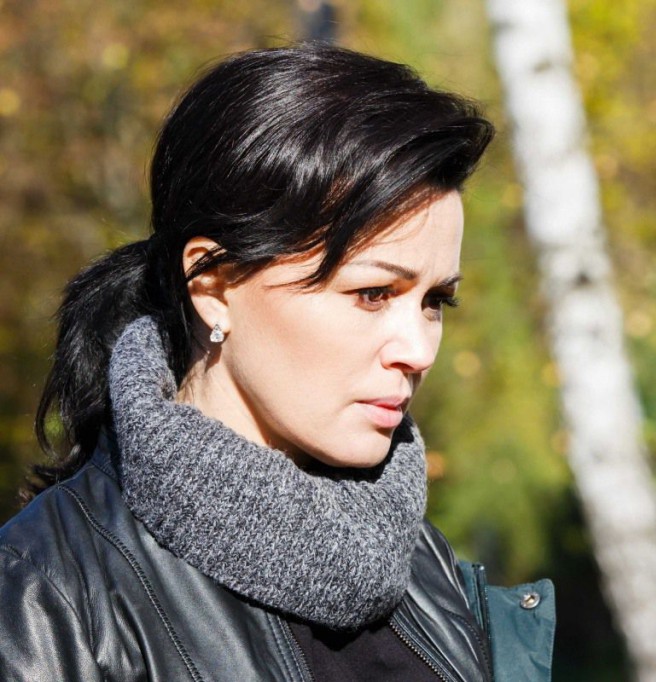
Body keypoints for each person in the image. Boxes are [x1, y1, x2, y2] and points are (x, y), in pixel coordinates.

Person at [0, 44, 554, 681]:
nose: (419, 350)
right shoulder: (45, 599)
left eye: (435, 301)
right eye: (373, 293)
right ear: (212, 286)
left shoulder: (424, 564)